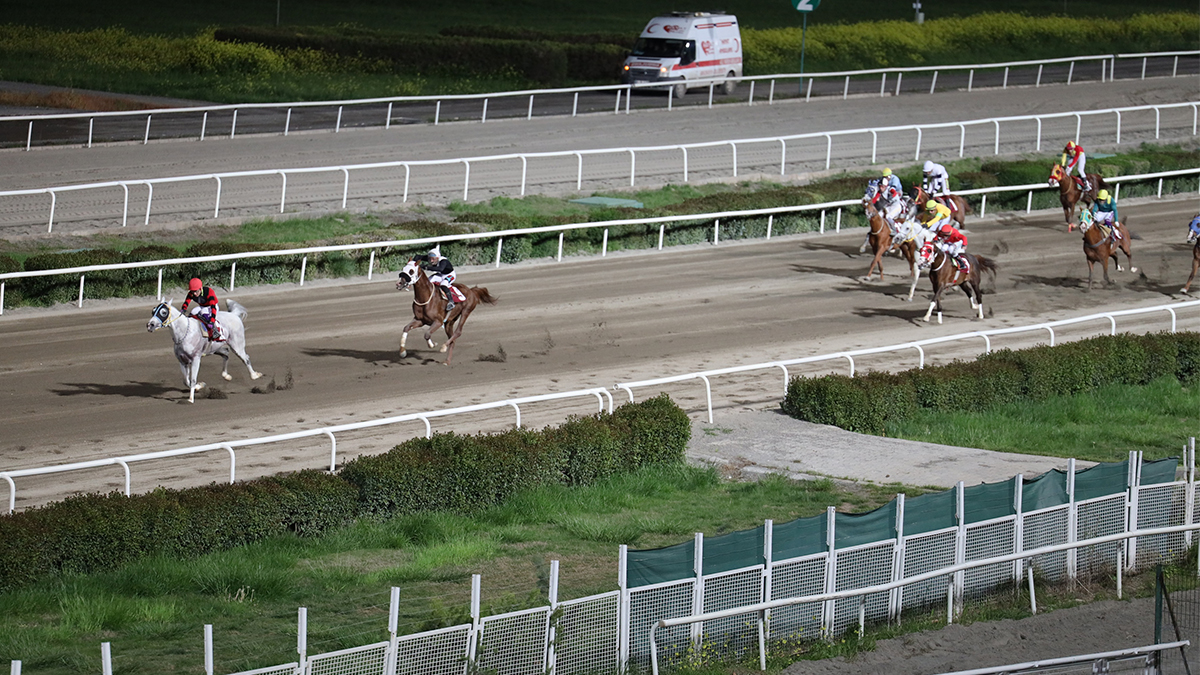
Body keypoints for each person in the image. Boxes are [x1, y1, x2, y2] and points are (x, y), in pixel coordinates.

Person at [412, 246, 461, 315]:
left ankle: (451, 302)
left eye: (433, 259)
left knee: (443, 284)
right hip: (441, 274)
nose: (431, 261)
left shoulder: (443, 261)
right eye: (430, 259)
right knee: (428, 281)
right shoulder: (431, 258)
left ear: (437, 258)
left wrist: (427, 267)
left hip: (449, 275)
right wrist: (412, 263)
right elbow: (418, 256)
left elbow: (440, 269)